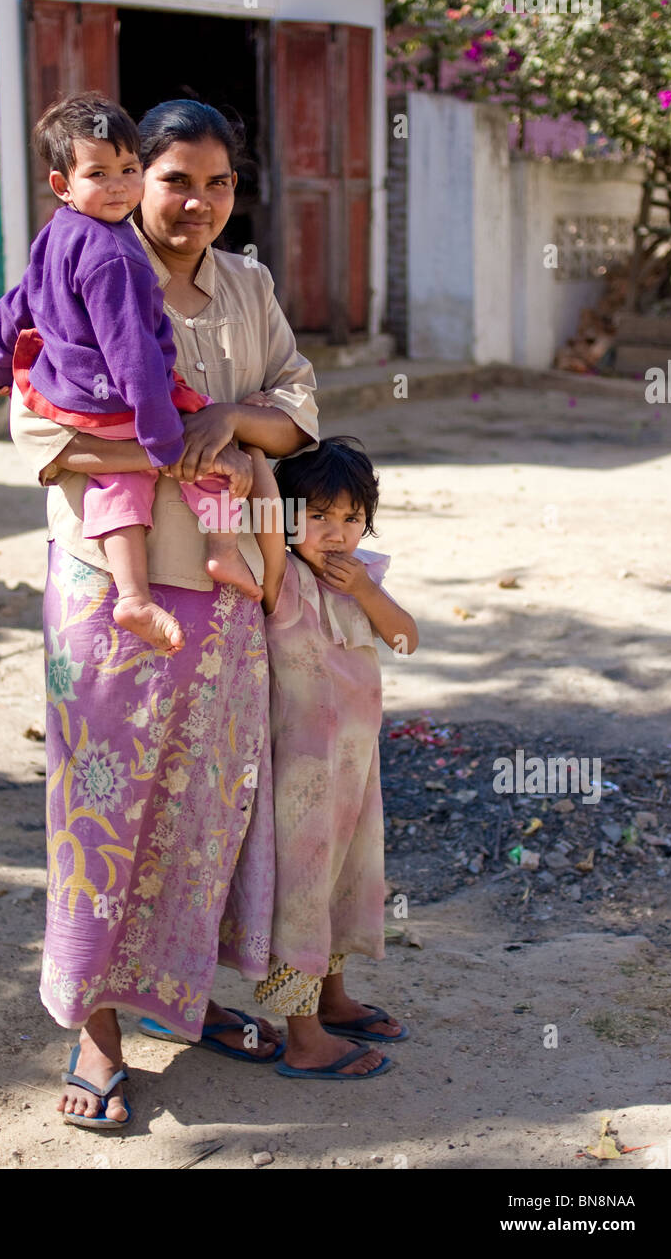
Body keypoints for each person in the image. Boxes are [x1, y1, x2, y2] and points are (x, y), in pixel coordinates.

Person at [8, 98, 319, 1128]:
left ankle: (180, 998)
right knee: (100, 816)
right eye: (175, 177)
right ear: (134, 176)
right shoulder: (88, 263)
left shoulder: (248, 284)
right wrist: (176, 449)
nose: (196, 201)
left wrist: (232, 419)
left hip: (227, 600)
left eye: (218, 182)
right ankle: (94, 1032)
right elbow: (34, 430)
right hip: (115, 593)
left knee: (202, 813)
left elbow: (297, 408)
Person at [0, 93, 260, 659]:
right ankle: (225, 546)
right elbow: (133, 354)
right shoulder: (118, 257)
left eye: (127, 171)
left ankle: (132, 595)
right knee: (219, 461)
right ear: (63, 184)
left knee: (117, 490)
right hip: (120, 403)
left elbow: (16, 304)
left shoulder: (56, 234)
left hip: (76, 399)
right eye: (99, 174)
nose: (117, 187)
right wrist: (166, 444)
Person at [248, 435, 419, 1079]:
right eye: (317, 516)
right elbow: (264, 513)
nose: (337, 533)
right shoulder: (280, 577)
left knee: (347, 880)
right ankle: (302, 1035)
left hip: (357, 772)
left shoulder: (364, 580)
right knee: (303, 891)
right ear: (288, 520)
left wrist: (369, 596)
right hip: (301, 777)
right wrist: (260, 454)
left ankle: (334, 997)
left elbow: (406, 637)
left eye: (351, 518)